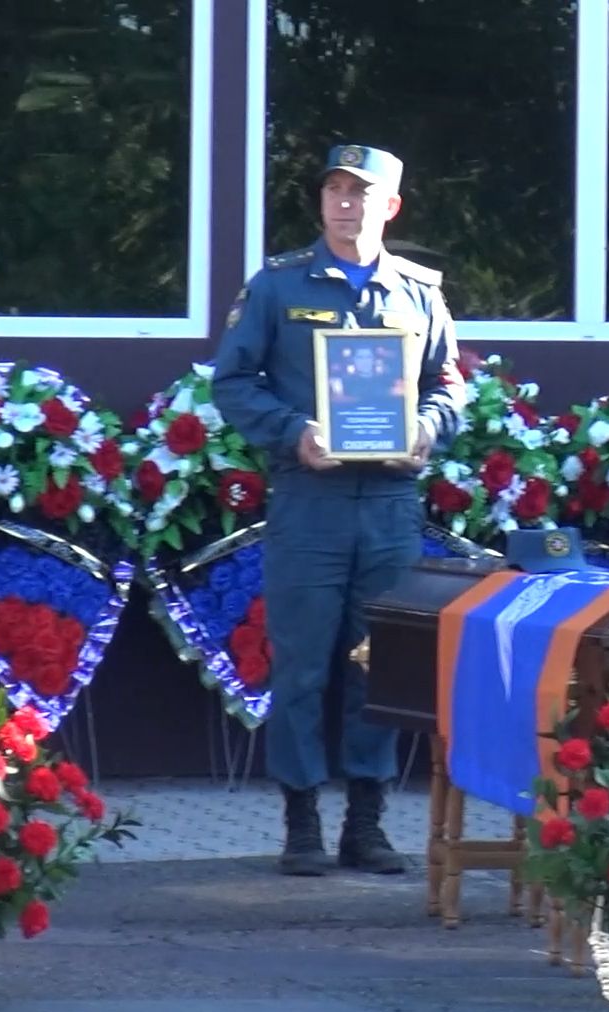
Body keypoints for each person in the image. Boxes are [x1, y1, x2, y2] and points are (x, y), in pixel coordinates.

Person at [212, 144, 466, 876]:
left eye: (361, 193)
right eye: (334, 190)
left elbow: (448, 385)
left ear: (391, 206)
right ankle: (300, 822)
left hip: (388, 503)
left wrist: (427, 428)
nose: (345, 203)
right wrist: (296, 433)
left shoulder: (418, 292)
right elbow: (233, 381)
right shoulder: (279, 285)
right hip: (310, 499)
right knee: (301, 664)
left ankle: (367, 821)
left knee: (378, 662)